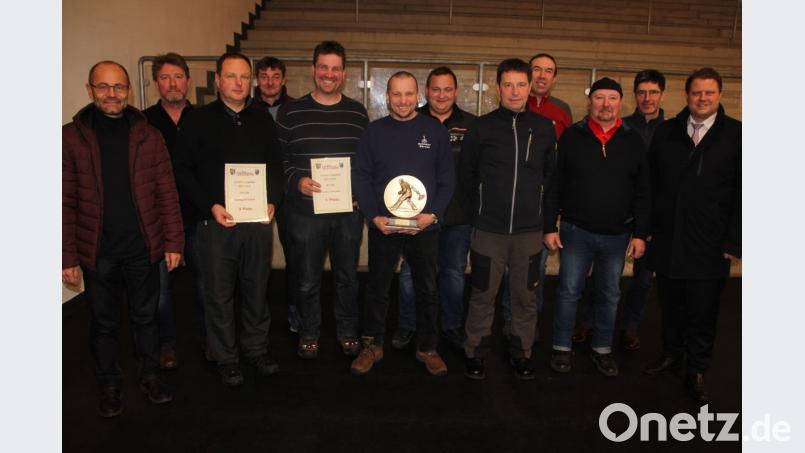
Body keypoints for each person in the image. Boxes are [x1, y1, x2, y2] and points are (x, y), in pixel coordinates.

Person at [63, 60, 183, 417]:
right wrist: (66, 255)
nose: (112, 94)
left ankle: (150, 376)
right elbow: (63, 199)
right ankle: (110, 384)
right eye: (103, 87)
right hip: (98, 251)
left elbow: (166, 191)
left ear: (129, 90)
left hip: (142, 248)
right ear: (90, 90)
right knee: (103, 322)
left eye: (119, 87)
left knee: (145, 318)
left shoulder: (149, 135)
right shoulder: (70, 137)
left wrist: (174, 241)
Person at [174, 52, 284, 387]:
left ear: (250, 81)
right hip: (216, 224)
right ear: (218, 80)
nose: (237, 83)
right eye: (230, 76)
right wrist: (210, 206)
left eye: (243, 77)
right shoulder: (197, 120)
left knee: (256, 289)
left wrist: (272, 202)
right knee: (218, 294)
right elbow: (182, 171)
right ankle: (226, 356)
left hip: (257, 224)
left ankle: (255, 348)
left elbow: (276, 168)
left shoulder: (263, 120)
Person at [644, 67, 741, 403]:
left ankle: (697, 367)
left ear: (719, 96)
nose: (702, 98)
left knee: (703, 310)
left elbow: (746, 192)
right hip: (669, 239)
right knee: (670, 305)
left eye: (709, 93)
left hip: (711, 244)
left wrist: (735, 241)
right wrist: (647, 229)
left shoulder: (737, 135)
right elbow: (650, 184)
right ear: (687, 95)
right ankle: (672, 353)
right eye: (697, 92)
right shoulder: (667, 132)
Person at [545, 77, 650, 378]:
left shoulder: (633, 140)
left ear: (620, 102)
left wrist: (641, 233)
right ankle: (561, 348)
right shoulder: (572, 137)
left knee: (609, 294)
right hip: (576, 231)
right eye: (600, 98)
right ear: (590, 101)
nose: (606, 104)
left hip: (618, 235)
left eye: (612, 98)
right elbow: (555, 185)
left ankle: (602, 349)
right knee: (568, 292)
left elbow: (643, 190)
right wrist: (549, 226)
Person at [459, 58, 556, 380]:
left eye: (521, 84)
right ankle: (475, 352)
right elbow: (468, 176)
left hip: (529, 233)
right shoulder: (481, 127)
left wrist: (548, 225)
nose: (515, 92)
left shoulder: (543, 129)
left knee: (525, 297)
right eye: (509, 84)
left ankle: (522, 353)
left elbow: (551, 179)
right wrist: (479, 214)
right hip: (489, 231)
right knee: (483, 295)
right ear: (498, 87)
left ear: (531, 87)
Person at [352, 71, 455, 376]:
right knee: (378, 287)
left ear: (418, 96)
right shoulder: (373, 132)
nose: (403, 100)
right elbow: (362, 177)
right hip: (385, 225)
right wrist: (374, 216)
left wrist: (432, 215)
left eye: (408, 94)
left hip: (424, 227)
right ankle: (372, 345)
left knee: (427, 288)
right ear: (387, 96)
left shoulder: (434, 131)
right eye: (396, 94)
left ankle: (427, 347)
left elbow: (447, 180)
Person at [276, 41, 368, 359]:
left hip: (347, 214)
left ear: (343, 73)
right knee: (306, 279)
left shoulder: (357, 113)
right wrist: (296, 181)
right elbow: (278, 159)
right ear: (314, 69)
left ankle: (347, 331)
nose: (329, 74)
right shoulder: (291, 112)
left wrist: (360, 194)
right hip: (305, 214)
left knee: (347, 278)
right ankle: (309, 332)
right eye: (323, 67)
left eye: (335, 68)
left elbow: (367, 163)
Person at [393, 66, 476, 352]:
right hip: (417, 217)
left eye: (447, 89)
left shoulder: (472, 125)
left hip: (457, 217)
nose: (441, 95)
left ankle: (452, 326)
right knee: (409, 276)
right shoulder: (410, 122)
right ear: (426, 92)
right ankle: (408, 325)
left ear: (456, 91)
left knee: (453, 275)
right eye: (435, 89)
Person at [500, 52, 572, 341]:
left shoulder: (563, 111)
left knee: (535, 271)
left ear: (554, 77)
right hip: (508, 212)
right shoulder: (511, 106)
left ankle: (530, 322)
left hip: (541, 211)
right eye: (537, 70)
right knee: (510, 271)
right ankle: (508, 319)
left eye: (548, 71)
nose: (542, 76)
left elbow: (560, 166)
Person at [143, 52, 205, 369]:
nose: (172, 83)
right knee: (162, 289)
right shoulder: (142, 122)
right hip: (159, 220)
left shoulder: (204, 118)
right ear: (156, 83)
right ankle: (167, 343)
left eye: (178, 76)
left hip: (199, 216)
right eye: (165, 78)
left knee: (206, 281)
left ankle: (210, 337)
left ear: (188, 80)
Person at [615, 69, 668, 351]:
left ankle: (630, 327)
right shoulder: (621, 126)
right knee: (603, 274)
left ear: (662, 95)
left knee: (643, 279)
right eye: (642, 92)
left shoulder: (672, 130)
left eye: (653, 92)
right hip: (619, 212)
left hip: (653, 216)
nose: (647, 98)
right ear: (635, 95)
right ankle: (588, 322)